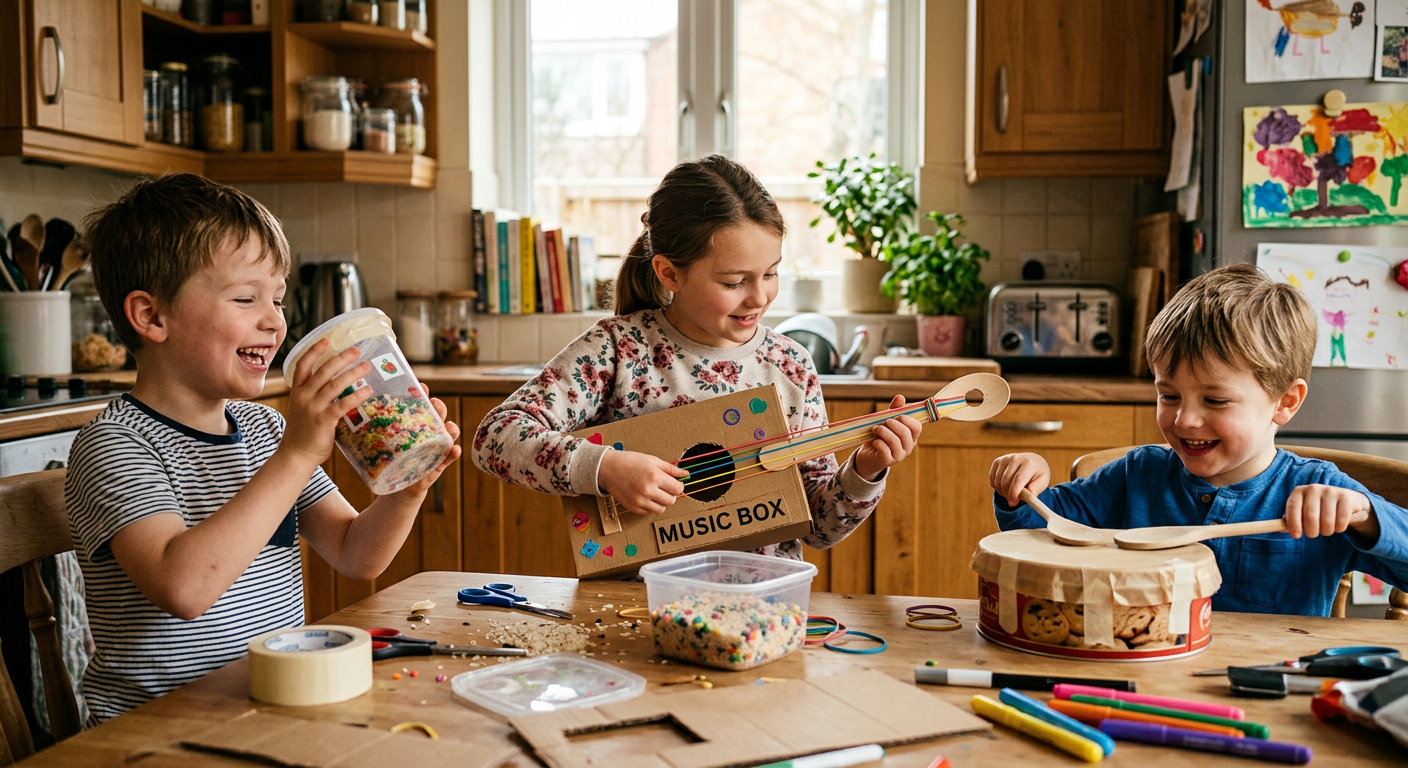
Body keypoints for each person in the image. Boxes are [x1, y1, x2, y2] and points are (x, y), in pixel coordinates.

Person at [67, 174, 461, 722]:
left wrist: (406, 488)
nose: (274, 320)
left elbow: (355, 553)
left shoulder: (263, 431)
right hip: (154, 731)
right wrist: (297, 455)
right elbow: (185, 589)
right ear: (152, 317)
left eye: (276, 298)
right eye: (246, 298)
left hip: (267, 706)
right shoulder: (116, 445)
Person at [472, 154, 921, 559]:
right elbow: (495, 437)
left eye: (771, 273)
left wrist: (865, 470)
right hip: (634, 609)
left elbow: (818, 528)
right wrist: (605, 467)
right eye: (733, 282)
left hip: (761, 609)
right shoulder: (618, 349)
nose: (759, 297)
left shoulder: (790, 366)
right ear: (669, 272)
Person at [988, 264, 1408, 616]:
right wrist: (1024, 488)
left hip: (1272, 691)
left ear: (1285, 402)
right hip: (1144, 680)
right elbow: (1043, 532)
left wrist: (1366, 516)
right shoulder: (1136, 476)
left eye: (1215, 400)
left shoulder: (1320, 494)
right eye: (1168, 395)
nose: (1185, 419)